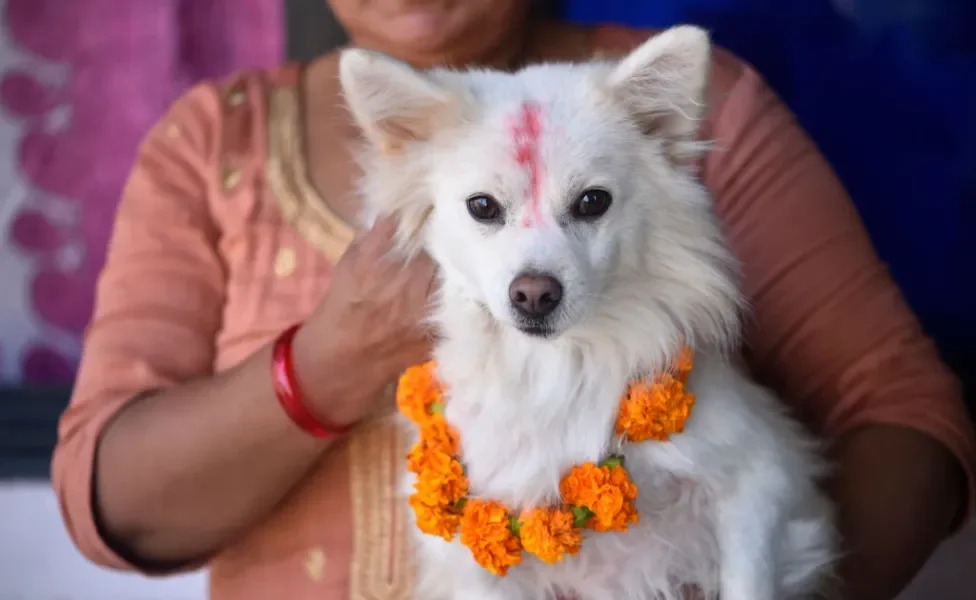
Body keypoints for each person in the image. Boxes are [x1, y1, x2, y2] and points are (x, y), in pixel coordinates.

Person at [52, 1, 975, 599]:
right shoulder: (217, 143)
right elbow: (109, 501)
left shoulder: (685, 106)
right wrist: (330, 361)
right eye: (486, 210)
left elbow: (905, 412)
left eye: (585, 207)